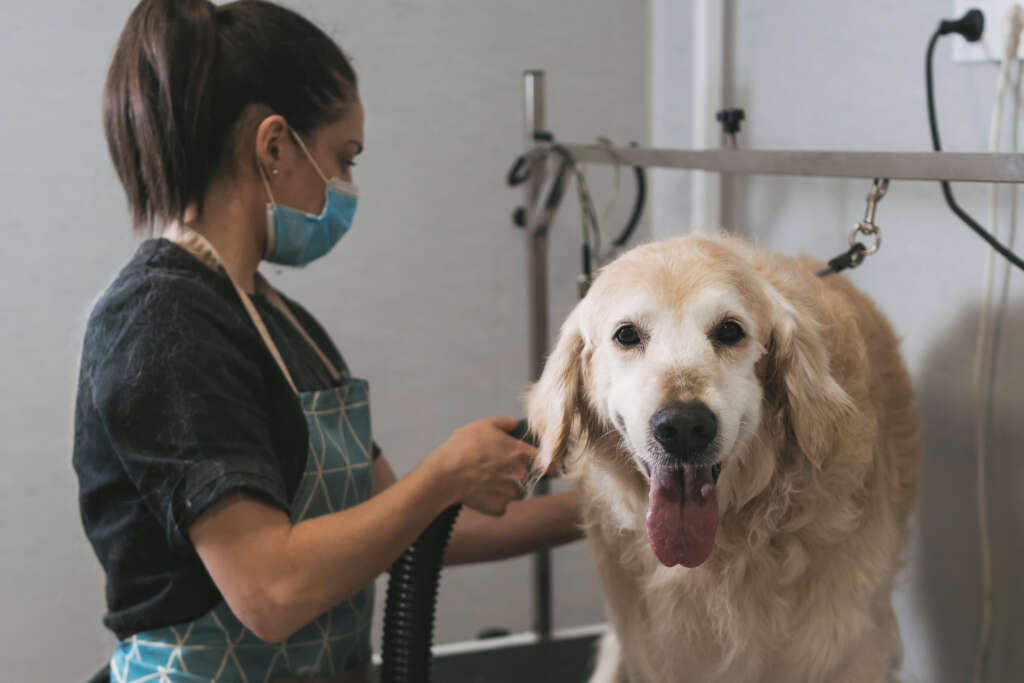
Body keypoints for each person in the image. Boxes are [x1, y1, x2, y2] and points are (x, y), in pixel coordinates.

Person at [72, 1, 582, 681]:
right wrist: (445, 473)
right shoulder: (161, 322)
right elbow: (270, 589)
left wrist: (617, 513)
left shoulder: (282, 323)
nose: (346, 187)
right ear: (274, 145)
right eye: (343, 159)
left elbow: (409, 529)